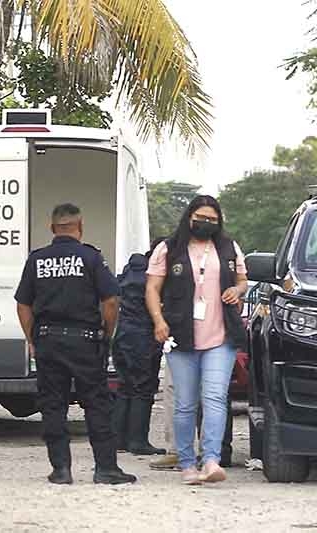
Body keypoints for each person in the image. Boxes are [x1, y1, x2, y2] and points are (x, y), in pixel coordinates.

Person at [15, 203, 137, 485]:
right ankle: (105, 468)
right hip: (85, 342)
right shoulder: (91, 258)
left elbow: (23, 304)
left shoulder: (37, 259)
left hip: (48, 340)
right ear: (80, 227)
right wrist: (107, 334)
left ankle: (61, 469)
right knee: (96, 404)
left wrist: (32, 338)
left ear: (52, 228)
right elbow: (110, 301)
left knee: (53, 404)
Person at [146, 195, 248, 485]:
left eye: (213, 220)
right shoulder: (168, 248)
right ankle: (188, 463)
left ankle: (212, 459)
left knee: (215, 397)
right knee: (185, 403)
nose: (206, 224)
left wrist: (238, 291)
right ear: (189, 217)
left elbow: (242, 280)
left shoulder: (229, 247)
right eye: (201, 218)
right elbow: (152, 288)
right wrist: (159, 321)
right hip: (181, 336)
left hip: (221, 336)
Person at [112, 238, 167, 456]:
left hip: (122, 333)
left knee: (125, 386)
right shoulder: (153, 277)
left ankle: (118, 439)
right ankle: (138, 440)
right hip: (143, 335)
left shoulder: (129, 271)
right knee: (144, 388)